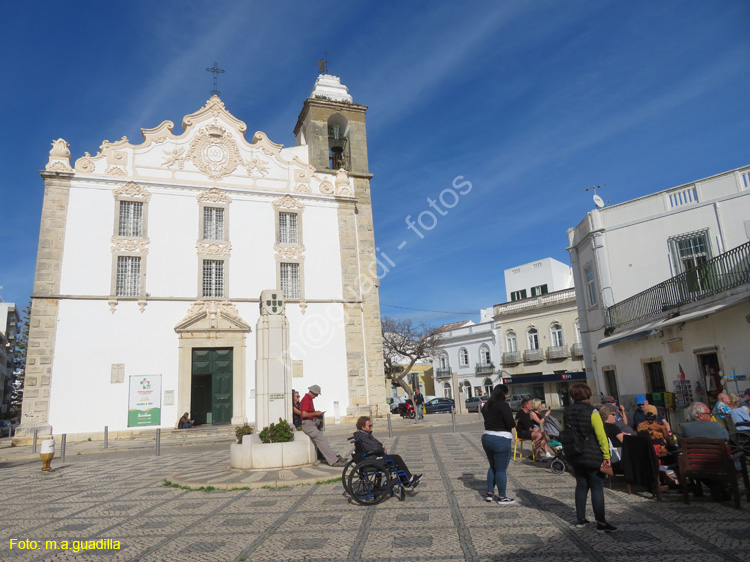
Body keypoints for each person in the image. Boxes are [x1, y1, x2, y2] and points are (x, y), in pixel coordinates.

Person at [562, 383, 616, 532]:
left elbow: (564, 432)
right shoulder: (592, 412)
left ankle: (580, 519)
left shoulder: (566, 411)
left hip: (575, 454)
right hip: (592, 453)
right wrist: (606, 455)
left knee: (581, 485)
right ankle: (601, 523)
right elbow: (601, 435)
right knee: (597, 487)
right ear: (588, 395)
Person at [680, 401, 731, 501]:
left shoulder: (685, 428)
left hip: (695, 465)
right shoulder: (717, 426)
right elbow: (727, 438)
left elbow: (679, 445)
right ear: (700, 416)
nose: (711, 415)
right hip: (718, 464)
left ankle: (713, 485)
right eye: (708, 413)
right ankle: (721, 485)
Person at [353, 416, 421, 487]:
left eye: (371, 425)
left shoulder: (362, 435)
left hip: (370, 457)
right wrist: (382, 449)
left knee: (394, 459)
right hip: (373, 459)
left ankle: (406, 480)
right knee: (396, 458)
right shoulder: (364, 436)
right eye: (369, 426)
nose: (371, 427)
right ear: (363, 427)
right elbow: (374, 447)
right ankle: (409, 479)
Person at [480, 384, 516, 504]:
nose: (507, 396)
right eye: (506, 394)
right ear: (503, 394)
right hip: (501, 438)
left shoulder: (487, 405)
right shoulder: (503, 405)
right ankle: (502, 497)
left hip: (487, 437)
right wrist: (515, 422)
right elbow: (510, 423)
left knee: (493, 466)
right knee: (501, 469)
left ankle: (490, 492)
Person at [300, 385, 347, 467]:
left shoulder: (308, 399)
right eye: (316, 394)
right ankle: (334, 461)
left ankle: (333, 458)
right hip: (308, 425)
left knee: (322, 442)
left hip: (311, 424)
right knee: (322, 442)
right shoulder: (307, 399)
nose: (317, 396)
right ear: (313, 392)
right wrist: (316, 413)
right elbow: (304, 414)